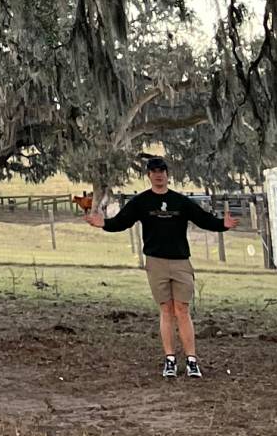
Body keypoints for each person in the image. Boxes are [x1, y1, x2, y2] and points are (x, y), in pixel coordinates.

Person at [85, 155, 238, 379]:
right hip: (156, 262)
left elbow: (203, 219)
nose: (159, 175)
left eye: (162, 171)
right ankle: (170, 359)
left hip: (180, 261)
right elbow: (122, 221)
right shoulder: (141, 202)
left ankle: (192, 360)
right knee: (166, 310)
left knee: (182, 310)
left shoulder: (180, 201)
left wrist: (223, 225)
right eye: (154, 172)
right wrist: (104, 224)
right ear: (149, 175)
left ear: (167, 175)